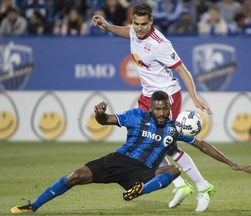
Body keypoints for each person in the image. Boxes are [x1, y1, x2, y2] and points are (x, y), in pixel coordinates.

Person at [10, 91, 251, 214]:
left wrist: (232, 164)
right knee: (74, 176)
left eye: (165, 109)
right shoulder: (137, 116)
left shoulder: (174, 128)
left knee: (173, 169)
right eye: (157, 109)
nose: (161, 113)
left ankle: (135, 191)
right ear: (151, 107)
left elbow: (202, 145)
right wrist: (98, 114)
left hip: (143, 173)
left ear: (170, 108)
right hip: (117, 161)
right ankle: (33, 206)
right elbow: (105, 120)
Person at [93, 2, 217, 212]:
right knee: (143, 141)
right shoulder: (134, 31)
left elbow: (183, 71)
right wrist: (107, 26)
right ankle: (180, 185)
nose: (139, 28)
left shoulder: (161, 44)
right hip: (147, 96)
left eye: (144, 24)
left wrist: (194, 98)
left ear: (152, 22)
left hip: (167, 97)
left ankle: (203, 187)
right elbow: (128, 33)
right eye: (136, 23)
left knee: (167, 143)